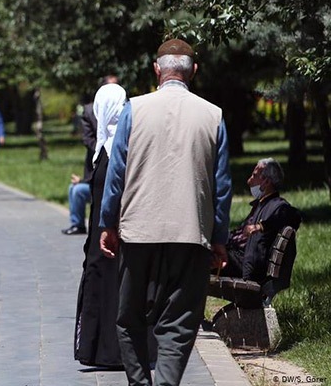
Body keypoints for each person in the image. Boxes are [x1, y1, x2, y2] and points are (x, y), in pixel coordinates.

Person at [99, 39, 232, 386]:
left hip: (138, 229)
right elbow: (221, 187)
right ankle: (167, 382)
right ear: (194, 72)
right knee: (181, 318)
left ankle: (140, 381)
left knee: (129, 316)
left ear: (156, 69)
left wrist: (108, 223)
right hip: (192, 232)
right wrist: (219, 239)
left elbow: (117, 173)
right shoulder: (213, 115)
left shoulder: (134, 109)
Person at [74, 83, 127, 368]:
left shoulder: (114, 150)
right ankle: (100, 350)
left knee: (108, 290)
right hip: (105, 233)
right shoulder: (110, 145)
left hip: (109, 234)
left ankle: (108, 351)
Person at [221, 158, 301, 282]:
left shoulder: (276, 205)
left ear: (266, 182)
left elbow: (294, 215)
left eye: (254, 176)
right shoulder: (261, 204)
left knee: (201, 254)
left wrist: (261, 226)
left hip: (244, 264)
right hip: (235, 256)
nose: (249, 181)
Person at [64, 76, 120, 236]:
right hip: (95, 172)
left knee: (77, 190)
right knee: (74, 189)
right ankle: (78, 224)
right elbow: (87, 139)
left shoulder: (128, 111)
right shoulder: (90, 111)